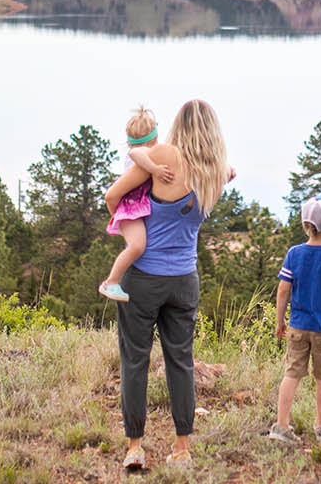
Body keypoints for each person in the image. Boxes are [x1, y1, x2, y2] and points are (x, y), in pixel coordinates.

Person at [104, 100, 230, 471]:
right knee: (181, 362)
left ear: (178, 124)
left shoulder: (162, 156)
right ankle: (182, 448)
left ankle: (135, 447)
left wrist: (128, 224)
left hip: (143, 278)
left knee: (135, 361)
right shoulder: (216, 171)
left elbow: (113, 196)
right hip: (184, 280)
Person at [265, 195, 321, 444]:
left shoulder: (294, 254)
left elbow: (283, 290)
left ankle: (281, 426)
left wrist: (280, 321)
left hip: (297, 326)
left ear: (305, 225)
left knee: (291, 374)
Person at [99, 106, 179, 302]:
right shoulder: (141, 152)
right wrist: (155, 169)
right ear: (155, 137)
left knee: (136, 245)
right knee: (137, 246)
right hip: (131, 208)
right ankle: (111, 281)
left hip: (135, 207)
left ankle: (114, 280)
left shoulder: (146, 151)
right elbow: (136, 154)